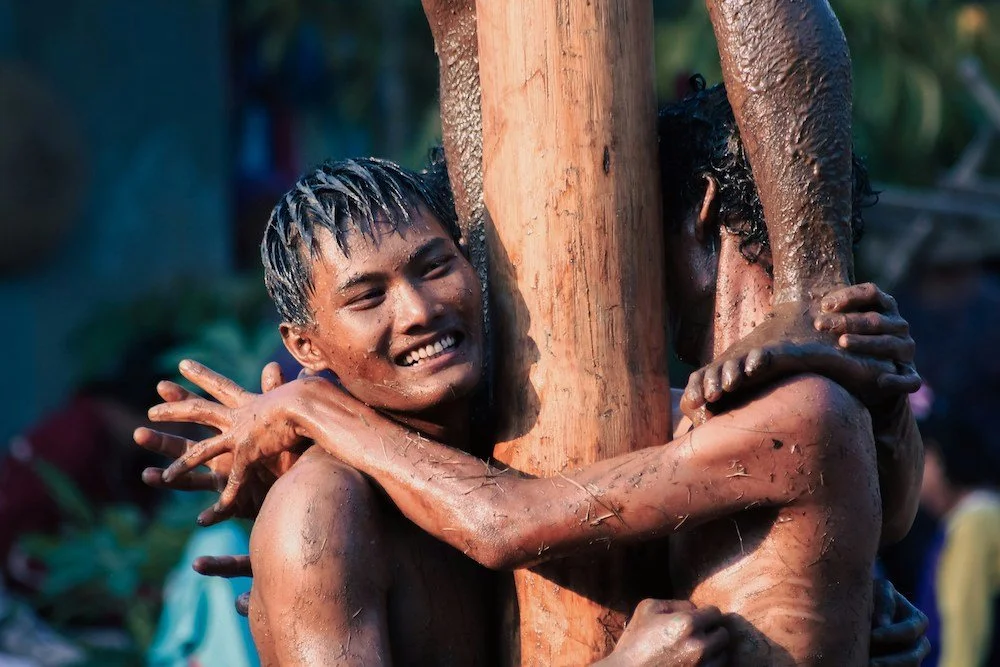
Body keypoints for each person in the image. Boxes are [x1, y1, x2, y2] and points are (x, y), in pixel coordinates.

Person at [148, 138, 922, 664]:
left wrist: (860, 578)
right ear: (306, 345)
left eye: (433, 265)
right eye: (368, 296)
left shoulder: (540, 437)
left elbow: (797, 466)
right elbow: (500, 523)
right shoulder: (322, 511)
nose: (418, 310)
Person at [916, 412, 1000, 666]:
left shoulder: (976, 519)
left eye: (921, 459)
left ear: (940, 460)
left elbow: (964, 622)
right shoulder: (962, 520)